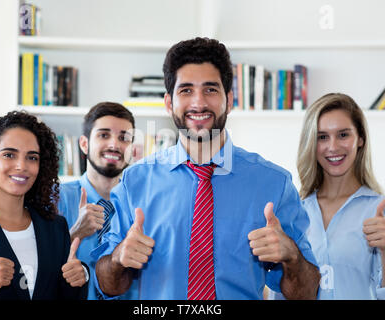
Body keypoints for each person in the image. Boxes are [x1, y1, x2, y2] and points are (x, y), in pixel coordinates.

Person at [91, 37, 320, 300]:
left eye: (210, 89)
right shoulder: (134, 181)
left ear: (229, 100)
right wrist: (119, 258)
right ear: (168, 103)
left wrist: (291, 256)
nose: (198, 103)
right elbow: (108, 285)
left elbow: (307, 293)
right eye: (186, 90)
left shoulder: (274, 183)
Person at [271, 93, 385, 299]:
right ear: (311, 143)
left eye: (343, 135)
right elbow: (280, 293)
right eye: (322, 137)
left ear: (360, 139)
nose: (333, 147)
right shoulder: (295, 212)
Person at [0, 111, 88, 300]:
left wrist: (78, 278)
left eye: (32, 157)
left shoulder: (56, 227)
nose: (21, 166)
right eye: (9, 155)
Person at [57, 102, 136, 300]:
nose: (114, 145)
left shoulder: (142, 206)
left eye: (124, 138)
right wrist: (74, 233)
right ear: (84, 144)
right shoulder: (55, 198)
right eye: (104, 135)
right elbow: (33, 265)